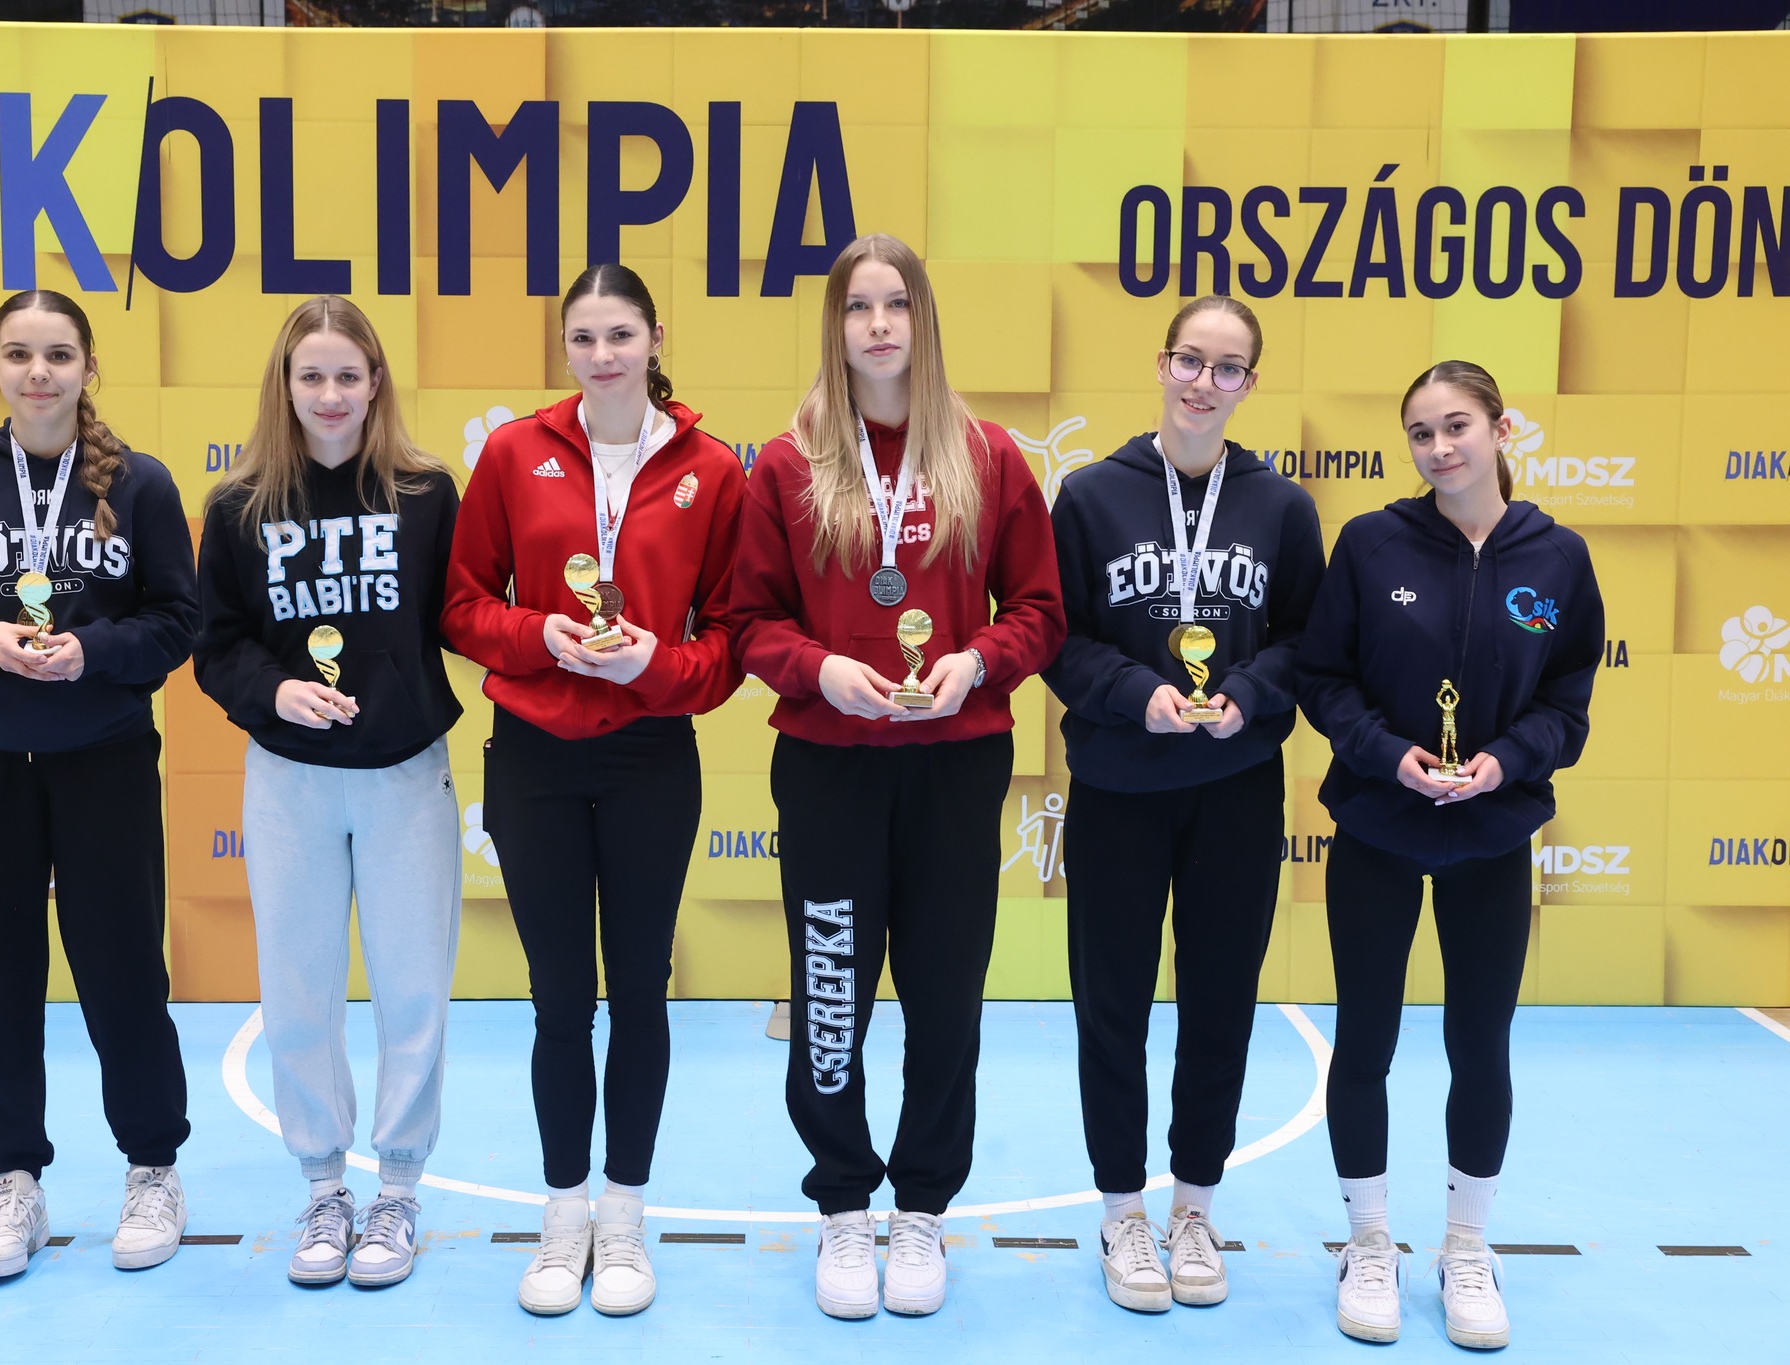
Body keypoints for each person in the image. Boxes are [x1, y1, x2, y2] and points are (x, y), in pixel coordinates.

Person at [729, 233, 1064, 1320]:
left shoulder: (988, 456)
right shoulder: (787, 465)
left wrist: (978, 662)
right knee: (830, 994)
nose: (877, 325)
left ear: (923, 320)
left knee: (944, 994)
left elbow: (1041, 611)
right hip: (829, 765)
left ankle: (920, 1206)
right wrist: (820, 669)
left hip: (955, 764)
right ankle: (841, 1202)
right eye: (856, 306)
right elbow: (746, 622)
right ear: (833, 326)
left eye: (896, 304)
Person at [441, 263, 747, 1317]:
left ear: (655, 339)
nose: (603, 354)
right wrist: (543, 637)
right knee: (559, 998)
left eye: (621, 334)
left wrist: (652, 663)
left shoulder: (712, 467)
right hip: (533, 756)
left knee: (641, 992)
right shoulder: (513, 452)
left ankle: (624, 1213)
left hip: (650, 755)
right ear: (564, 346)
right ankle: (563, 1211)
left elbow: (729, 645)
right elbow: (461, 606)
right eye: (583, 337)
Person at [0, 289, 196, 1280]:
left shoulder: (140, 485)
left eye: (58, 354)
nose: (38, 373)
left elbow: (178, 621)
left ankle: (152, 1168)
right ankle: (14, 1178)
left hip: (105, 755)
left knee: (123, 970)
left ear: (88, 367)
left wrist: (91, 652)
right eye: (19, 353)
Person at [1297, 360, 1603, 1349]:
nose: (1439, 448)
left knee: (1480, 1043)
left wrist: (1505, 761)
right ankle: (1368, 1243)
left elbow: (1566, 703)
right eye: (1421, 433)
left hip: (1490, 836)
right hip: (1378, 829)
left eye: (1457, 425)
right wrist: (1386, 754)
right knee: (1366, 1041)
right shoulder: (1369, 542)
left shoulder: (1557, 558)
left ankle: (1466, 1246)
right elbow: (1323, 678)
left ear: (1502, 428)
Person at [1044, 295, 1325, 1313]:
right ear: (1161, 365)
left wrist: (1244, 693)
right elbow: (1056, 637)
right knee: (1110, 1006)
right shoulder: (1088, 497)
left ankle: (1195, 1207)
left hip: (1235, 789)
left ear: (1250, 383)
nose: (1206, 383)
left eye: (1228, 367)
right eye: (1191, 361)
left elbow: (1306, 641)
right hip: (1118, 786)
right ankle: (1123, 1211)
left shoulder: (1282, 507)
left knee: (1219, 1003)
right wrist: (1134, 694)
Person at [193, 296, 463, 1290]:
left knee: (412, 992)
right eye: (311, 375)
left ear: (376, 382)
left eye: (348, 374)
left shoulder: (426, 495)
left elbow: (464, 614)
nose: (331, 394)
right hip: (290, 781)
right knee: (298, 991)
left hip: (405, 777)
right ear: (286, 385)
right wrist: (276, 692)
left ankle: (397, 1188)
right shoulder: (239, 506)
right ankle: (321, 1186)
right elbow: (215, 646)